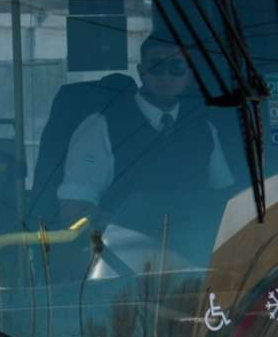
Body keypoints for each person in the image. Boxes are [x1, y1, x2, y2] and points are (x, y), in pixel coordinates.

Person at [58, 34, 233, 224]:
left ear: (189, 74)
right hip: (122, 249)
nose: (166, 76)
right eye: (157, 67)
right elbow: (74, 210)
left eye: (177, 67)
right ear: (141, 71)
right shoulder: (101, 127)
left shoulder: (204, 130)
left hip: (194, 248)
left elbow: (225, 199)